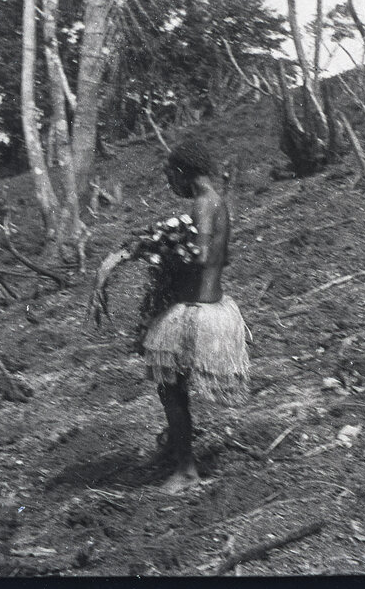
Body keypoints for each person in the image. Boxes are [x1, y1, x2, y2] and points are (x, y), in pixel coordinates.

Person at [91, 141, 250, 494]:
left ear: (182, 173)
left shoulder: (203, 205)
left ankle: (186, 470)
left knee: (172, 393)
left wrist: (159, 249)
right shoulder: (218, 202)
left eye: (168, 176)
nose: (168, 183)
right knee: (174, 391)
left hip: (193, 314)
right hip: (212, 306)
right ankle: (177, 452)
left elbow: (201, 252)